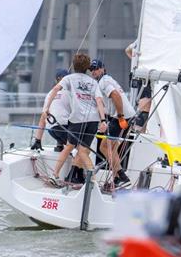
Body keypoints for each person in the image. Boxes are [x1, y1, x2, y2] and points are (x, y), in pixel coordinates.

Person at [41, 54, 107, 186]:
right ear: (88, 67)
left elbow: (55, 90)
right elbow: (99, 101)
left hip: (77, 120)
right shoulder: (93, 82)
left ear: (74, 65)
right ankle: (92, 180)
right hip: (93, 121)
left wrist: (46, 109)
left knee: (69, 147)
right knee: (83, 151)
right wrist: (103, 120)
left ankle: (55, 175)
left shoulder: (68, 78)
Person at [89, 59, 136, 187]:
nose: (93, 71)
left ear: (103, 68)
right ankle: (116, 179)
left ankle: (122, 176)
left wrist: (120, 116)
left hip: (122, 117)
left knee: (104, 147)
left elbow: (115, 95)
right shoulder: (107, 80)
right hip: (126, 116)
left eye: (96, 68)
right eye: (91, 69)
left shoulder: (104, 81)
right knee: (112, 148)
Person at [31, 68, 71, 152]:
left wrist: (38, 140)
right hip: (63, 128)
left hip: (51, 130)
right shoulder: (70, 93)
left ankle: (59, 146)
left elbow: (43, 117)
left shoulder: (50, 94)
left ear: (56, 80)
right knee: (81, 148)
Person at [124, 40, 152, 129]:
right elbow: (127, 50)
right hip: (137, 93)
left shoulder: (149, 65)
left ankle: (139, 128)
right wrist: (134, 45)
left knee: (143, 112)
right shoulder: (137, 62)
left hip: (144, 100)